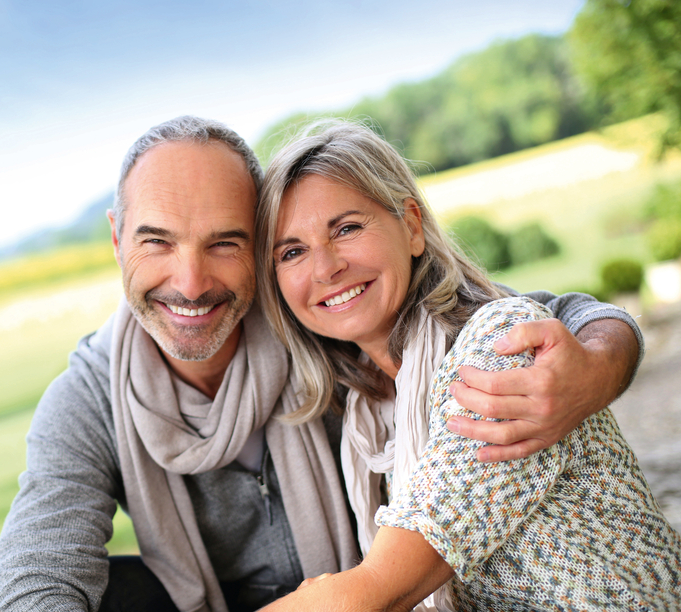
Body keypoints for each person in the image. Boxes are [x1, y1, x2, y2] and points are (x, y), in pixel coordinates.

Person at [0, 116, 645, 612]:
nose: (190, 282)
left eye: (224, 243)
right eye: (157, 241)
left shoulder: (324, 334)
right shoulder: (96, 395)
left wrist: (597, 363)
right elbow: (38, 573)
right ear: (115, 238)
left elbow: (543, 316)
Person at [254, 120, 681, 611]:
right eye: (292, 252)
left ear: (412, 227)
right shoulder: (366, 415)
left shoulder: (498, 350)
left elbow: (373, 593)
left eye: (347, 228)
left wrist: (608, 352)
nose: (325, 268)